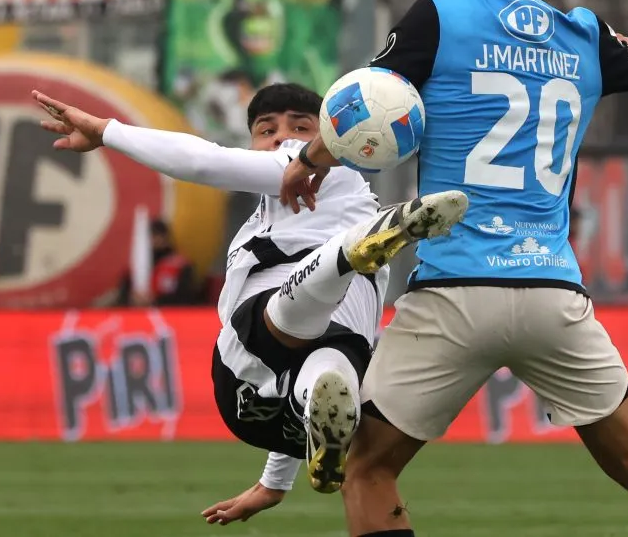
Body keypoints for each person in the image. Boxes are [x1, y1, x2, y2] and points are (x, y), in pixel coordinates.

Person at [279, 0, 628, 537]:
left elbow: (364, 107)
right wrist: (611, 45)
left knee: (367, 466)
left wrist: (308, 162)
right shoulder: (582, 34)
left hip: (456, 289)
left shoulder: (436, 23)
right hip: (552, 292)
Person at [32, 83, 466, 523]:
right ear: (253, 142)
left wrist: (107, 131)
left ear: (330, 138)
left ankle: (347, 256)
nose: (285, 139)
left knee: (307, 347)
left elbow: (203, 162)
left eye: (302, 127)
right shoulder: (276, 207)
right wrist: (273, 483)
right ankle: (351, 254)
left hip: (259, 388)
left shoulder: (330, 172)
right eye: (268, 130)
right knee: (324, 360)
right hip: (283, 377)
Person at [115, 219, 202, 307]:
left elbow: (186, 298)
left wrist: (155, 301)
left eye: (156, 236)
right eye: (149, 237)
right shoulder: (134, 268)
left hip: (168, 315)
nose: (152, 241)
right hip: (135, 314)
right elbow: (122, 295)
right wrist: (132, 300)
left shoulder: (181, 266)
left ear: (165, 238)